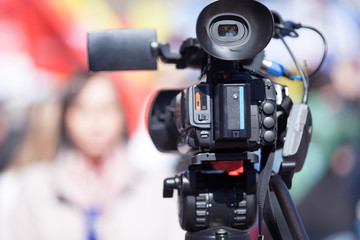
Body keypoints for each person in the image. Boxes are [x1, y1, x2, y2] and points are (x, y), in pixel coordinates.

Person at [0, 73, 184, 240]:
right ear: (66, 117)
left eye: (105, 109)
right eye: (83, 109)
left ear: (122, 115)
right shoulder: (37, 186)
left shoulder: (156, 187)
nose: (95, 120)